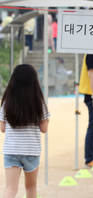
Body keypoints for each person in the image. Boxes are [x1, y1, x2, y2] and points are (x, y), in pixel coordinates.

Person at [0, 64, 50, 198]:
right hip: (31, 150)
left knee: (10, 189)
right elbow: (44, 129)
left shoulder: (7, 102)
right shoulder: (38, 101)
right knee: (31, 188)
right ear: (34, 80)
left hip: (11, 150)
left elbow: (3, 129)